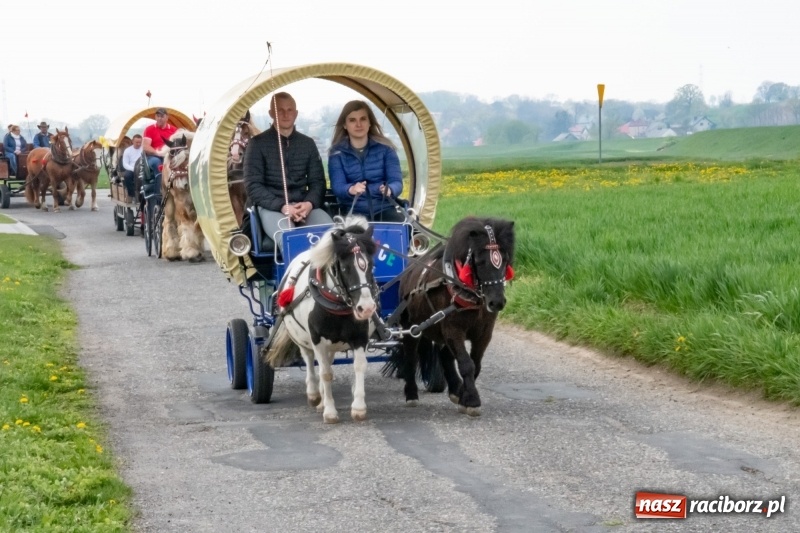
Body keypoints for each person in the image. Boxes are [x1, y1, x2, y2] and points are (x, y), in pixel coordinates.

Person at [244, 92, 332, 250]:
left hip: (303, 206)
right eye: (280, 110)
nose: (285, 114)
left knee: (333, 237)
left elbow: (317, 182)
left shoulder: (307, 143)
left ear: (296, 113)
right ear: (271, 113)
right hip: (273, 207)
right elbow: (253, 186)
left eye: (290, 110)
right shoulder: (257, 144)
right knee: (290, 241)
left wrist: (309, 203)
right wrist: (282, 206)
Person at [328, 100, 405, 222]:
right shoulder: (337, 153)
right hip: (353, 210)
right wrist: (351, 189)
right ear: (344, 125)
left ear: (370, 123)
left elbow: (396, 181)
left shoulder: (386, 149)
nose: (358, 124)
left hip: (384, 207)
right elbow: (337, 186)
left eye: (363, 119)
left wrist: (390, 189)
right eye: (352, 120)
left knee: (402, 227)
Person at [142, 107, 177, 183]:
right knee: (158, 164)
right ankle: (160, 190)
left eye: (162, 116)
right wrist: (158, 153)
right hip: (154, 156)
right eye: (158, 116)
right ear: (155, 117)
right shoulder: (149, 129)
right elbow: (146, 146)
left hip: (170, 156)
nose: (159, 118)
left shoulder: (174, 130)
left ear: (167, 117)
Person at [122, 134, 144, 200]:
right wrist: (134, 169)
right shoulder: (127, 151)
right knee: (127, 176)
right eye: (137, 142)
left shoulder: (143, 149)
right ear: (132, 141)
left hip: (142, 168)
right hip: (132, 169)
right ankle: (132, 195)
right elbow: (125, 164)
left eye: (140, 142)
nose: (138, 144)